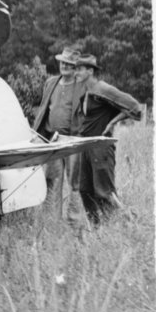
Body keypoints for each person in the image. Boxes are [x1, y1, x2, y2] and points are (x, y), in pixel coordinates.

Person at [72, 53, 143, 222]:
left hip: (101, 147)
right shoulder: (87, 92)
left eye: (80, 69)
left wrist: (112, 123)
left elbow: (135, 108)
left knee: (104, 192)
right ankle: (98, 230)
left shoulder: (103, 89)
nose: (76, 73)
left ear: (90, 71)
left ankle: (128, 221)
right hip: (86, 147)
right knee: (84, 190)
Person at [31, 47, 88, 221]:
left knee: (75, 183)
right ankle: (52, 221)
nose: (64, 66)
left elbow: (87, 115)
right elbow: (43, 110)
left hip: (72, 141)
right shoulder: (51, 83)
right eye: (63, 62)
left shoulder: (82, 86)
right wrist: (39, 134)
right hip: (52, 141)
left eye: (69, 64)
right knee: (53, 180)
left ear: (75, 67)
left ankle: (75, 220)